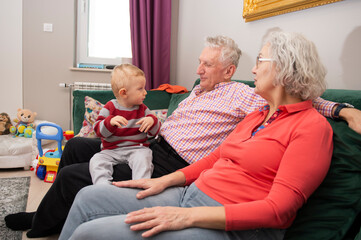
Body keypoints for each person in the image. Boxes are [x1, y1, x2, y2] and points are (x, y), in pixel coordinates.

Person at [5, 35, 361, 238]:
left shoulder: (250, 99)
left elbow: (280, 209)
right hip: (177, 175)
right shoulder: (253, 112)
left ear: (282, 69)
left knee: (75, 186)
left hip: (192, 187)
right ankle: (44, 217)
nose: (198, 70)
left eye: (262, 61)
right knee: (81, 164)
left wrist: (343, 109)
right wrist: (169, 184)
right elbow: (217, 158)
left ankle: (43, 223)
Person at [90, 64, 160, 184]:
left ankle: (140, 184)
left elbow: (156, 132)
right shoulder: (109, 107)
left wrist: (152, 121)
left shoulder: (143, 109)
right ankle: (103, 187)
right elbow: (97, 131)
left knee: (144, 158)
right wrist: (109, 122)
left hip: (137, 149)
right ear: (124, 93)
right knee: (96, 160)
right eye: (140, 89)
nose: (145, 92)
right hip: (111, 151)